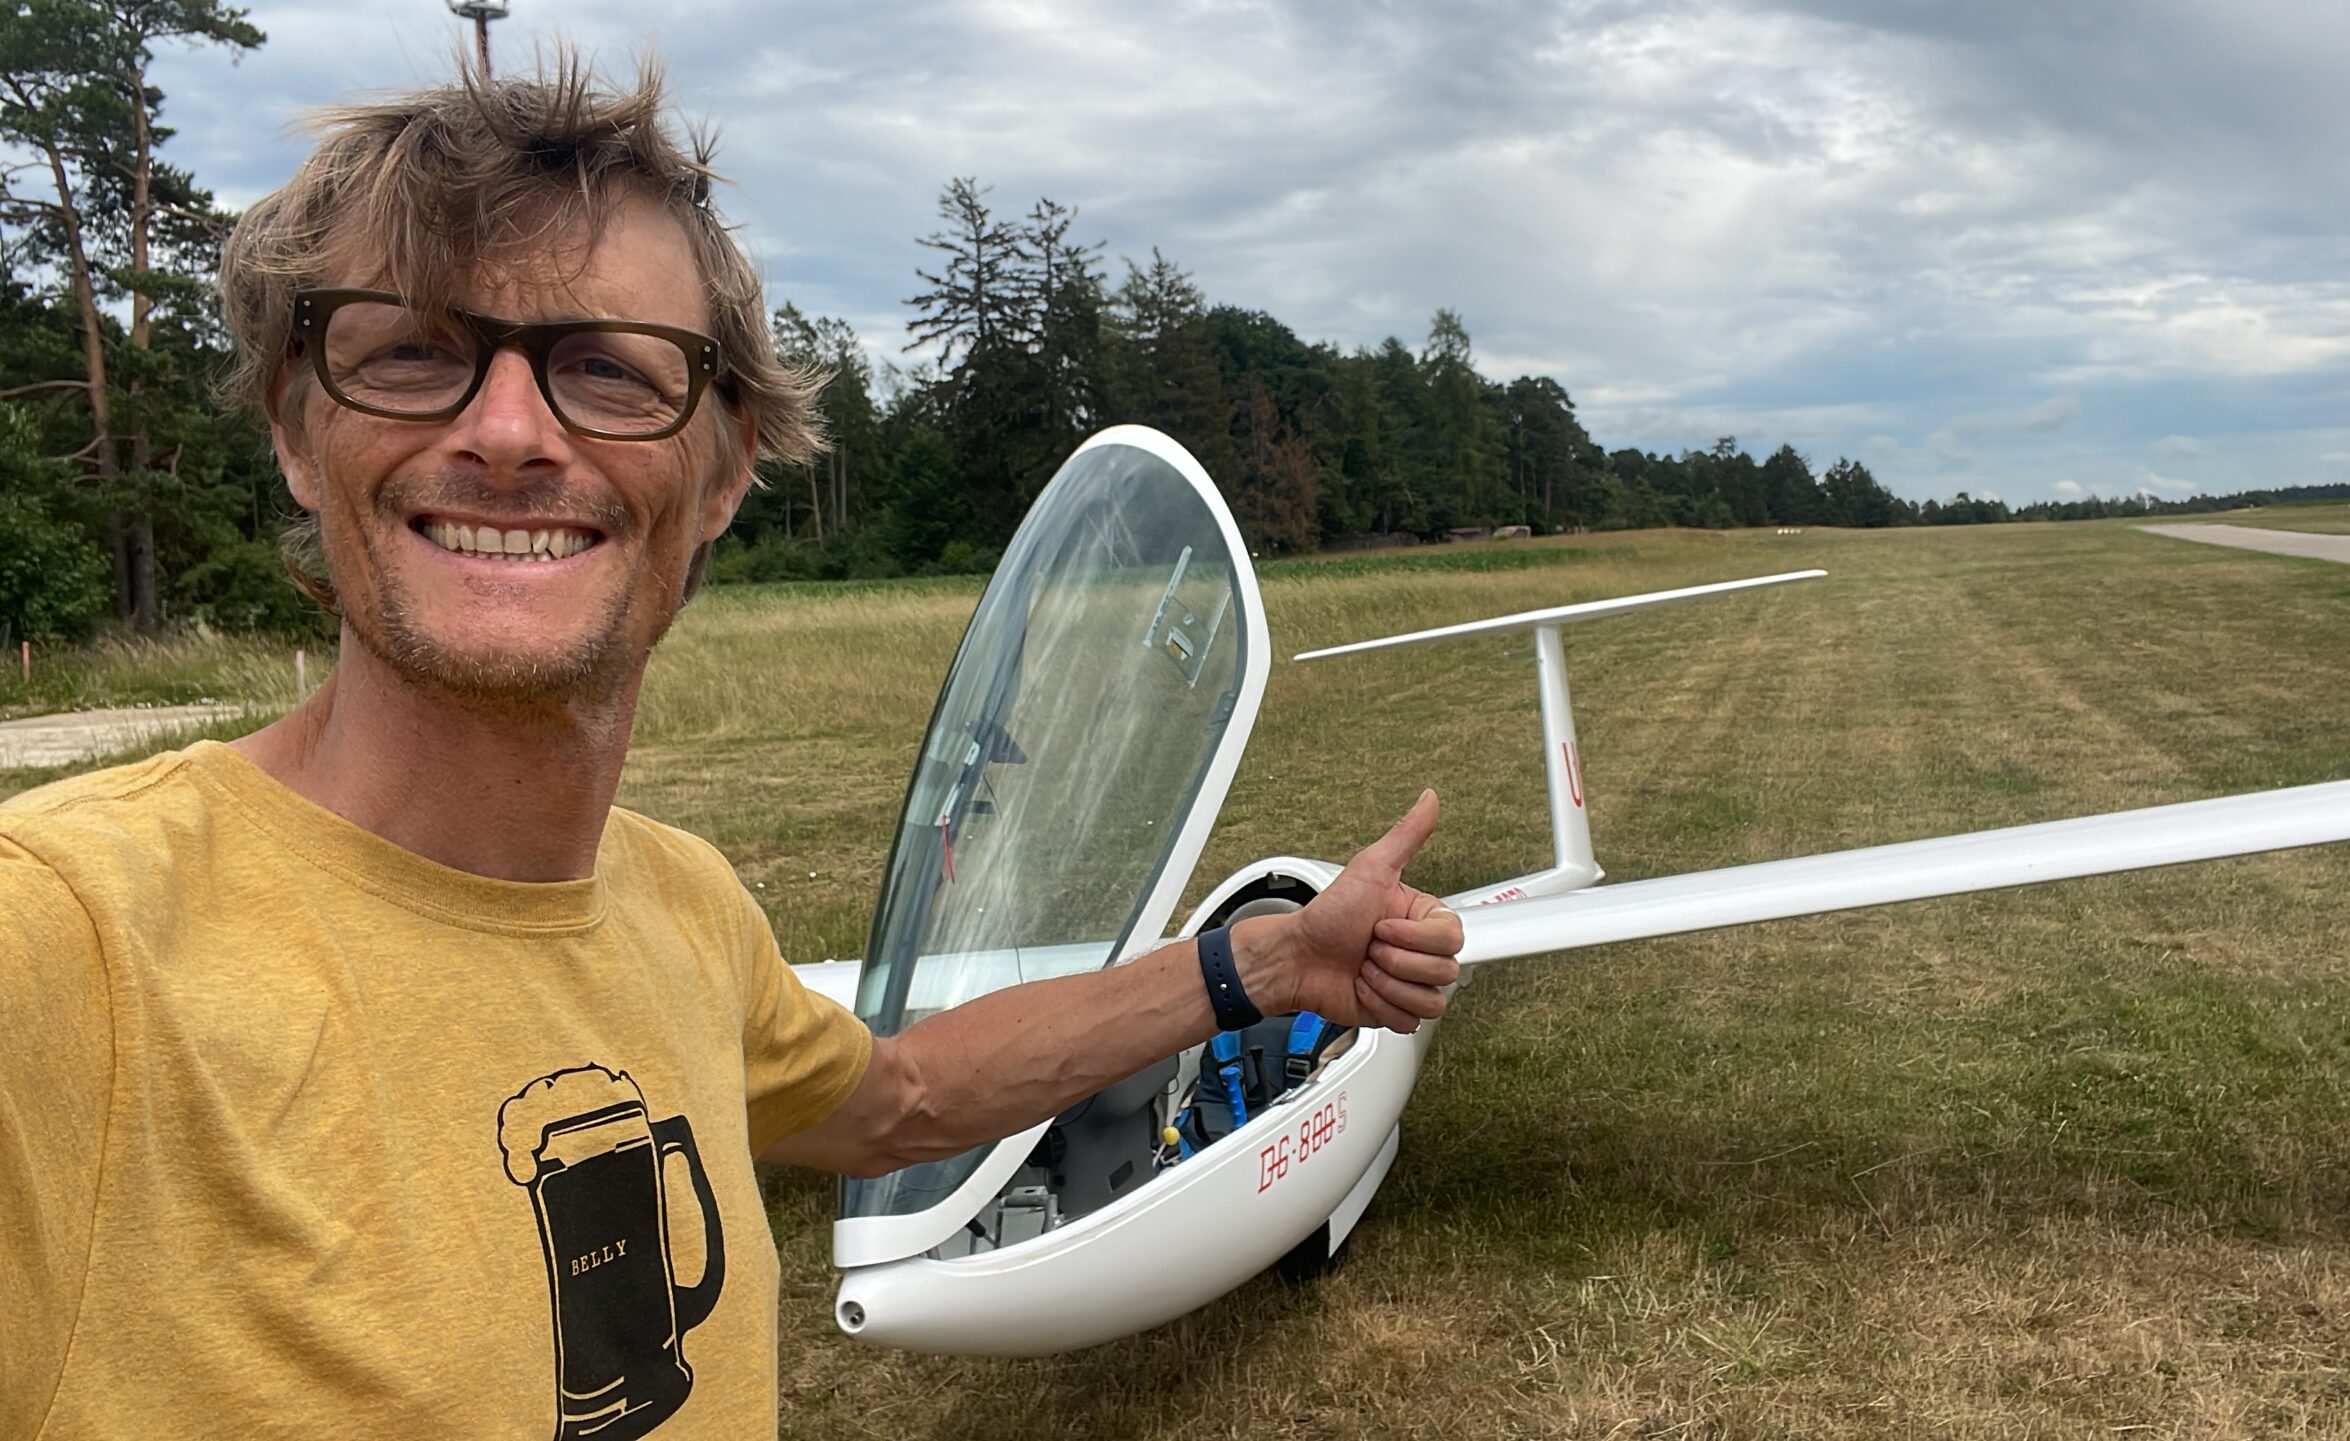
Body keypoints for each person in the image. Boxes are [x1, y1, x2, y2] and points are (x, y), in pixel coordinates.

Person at [0, 58, 1463, 1440]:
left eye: (608, 371)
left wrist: (1260, 966)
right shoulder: (68, 946)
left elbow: (904, 1099)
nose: (508, 430)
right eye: (410, 353)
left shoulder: (684, 910)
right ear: (297, 434)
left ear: (721, 472)